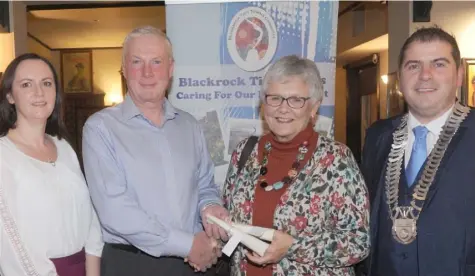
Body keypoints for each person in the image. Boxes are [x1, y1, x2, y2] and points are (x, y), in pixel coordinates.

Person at [82, 26, 229, 276]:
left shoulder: (190, 125)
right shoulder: (100, 128)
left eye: (157, 62)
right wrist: (187, 245)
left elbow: (204, 185)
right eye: (137, 62)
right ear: (125, 69)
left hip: (193, 264)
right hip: (133, 264)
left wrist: (210, 207)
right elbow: (115, 212)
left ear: (170, 69)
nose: (148, 72)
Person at [222, 55, 371, 276]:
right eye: (275, 98)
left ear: (314, 107)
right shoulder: (245, 152)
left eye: (296, 100)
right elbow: (229, 219)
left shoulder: (336, 160)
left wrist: (294, 246)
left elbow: (359, 242)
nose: (283, 109)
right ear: (264, 104)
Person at [358, 26, 475, 276]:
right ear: (400, 77)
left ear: (459, 75)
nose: (425, 75)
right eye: (413, 66)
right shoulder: (378, 136)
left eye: (439, 64)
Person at [0, 53, 103, 276]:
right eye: (27, 84)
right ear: (10, 96)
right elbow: (9, 241)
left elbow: (89, 218)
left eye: (46, 83)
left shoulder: (64, 147)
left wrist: (93, 272)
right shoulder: (3, 156)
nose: (39, 92)